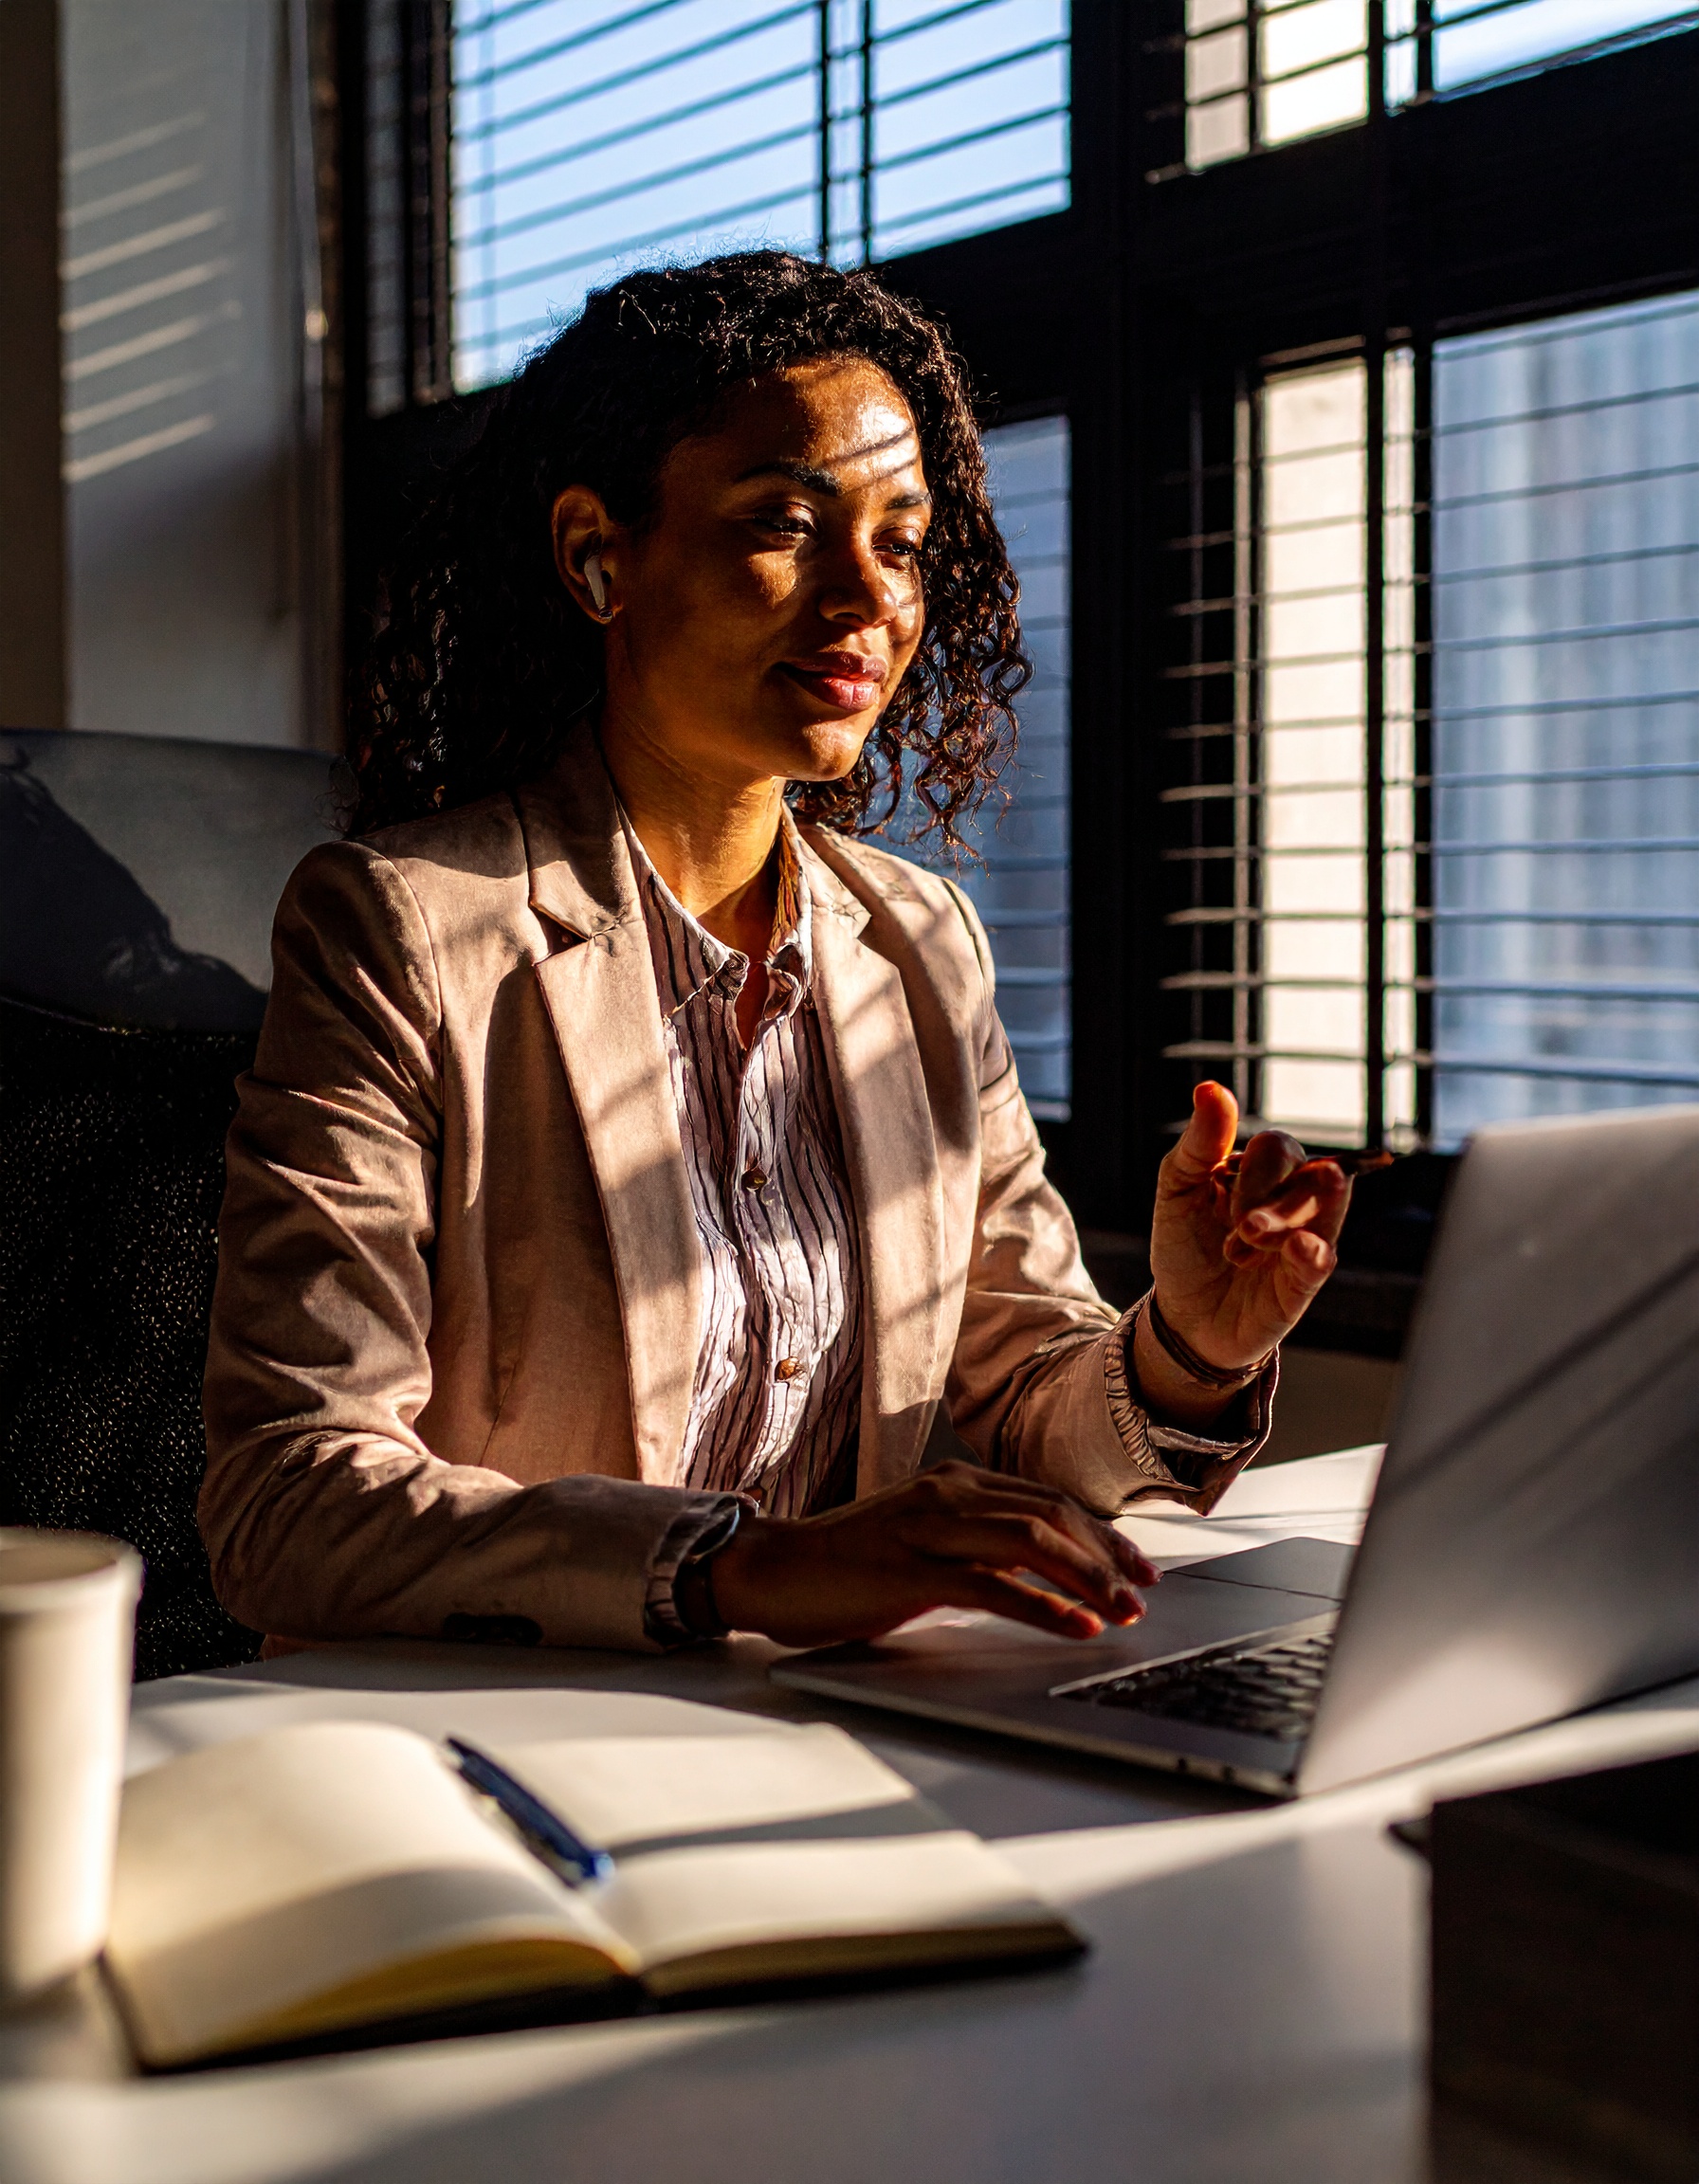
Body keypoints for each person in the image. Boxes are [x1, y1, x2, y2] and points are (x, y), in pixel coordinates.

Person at [200, 251, 1352, 1658]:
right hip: (501, 1733)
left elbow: (1011, 1404)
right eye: (785, 523)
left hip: (823, 1715)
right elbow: (287, 1498)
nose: (869, 598)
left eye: (903, 539)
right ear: (597, 556)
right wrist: (734, 1571)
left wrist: (1189, 1345)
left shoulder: (917, 945)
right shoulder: (402, 928)